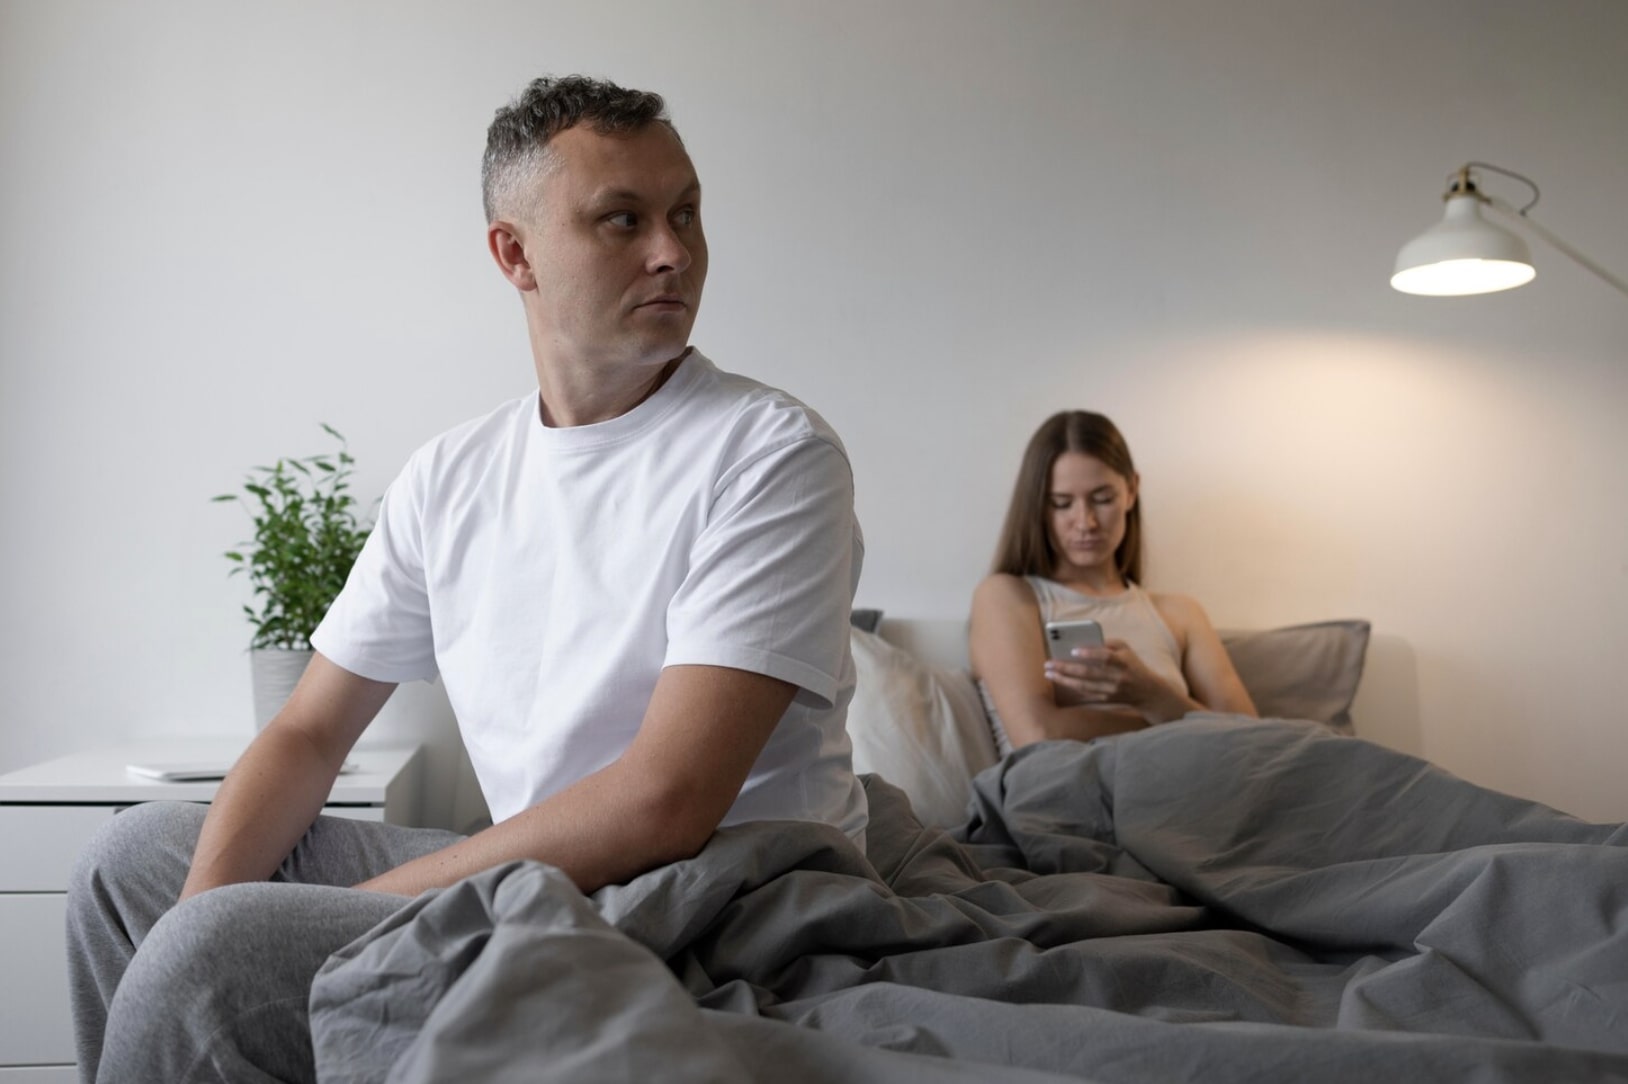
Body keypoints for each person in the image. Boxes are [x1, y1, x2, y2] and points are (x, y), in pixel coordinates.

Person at [67, 75, 866, 1083]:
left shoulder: (771, 452)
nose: (673, 250)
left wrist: (349, 918)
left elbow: (665, 799)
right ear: (514, 253)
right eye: (622, 219)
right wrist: (212, 905)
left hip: (717, 890)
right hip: (543, 881)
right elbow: (310, 729)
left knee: (210, 960)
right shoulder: (452, 475)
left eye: (685, 212)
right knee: (129, 862)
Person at [969, 410, 1255, 754]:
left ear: (1131, 491)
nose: (1085, 522)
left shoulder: (1180, 614)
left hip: (1186, 784)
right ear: (1039, 508)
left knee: (1311, 750)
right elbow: (1038, 733)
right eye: (1062, 504)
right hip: (1066, 788)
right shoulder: (1007, 596)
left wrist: (1155, 694)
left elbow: (1253, 739)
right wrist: (1161, 713)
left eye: (1102, 499)